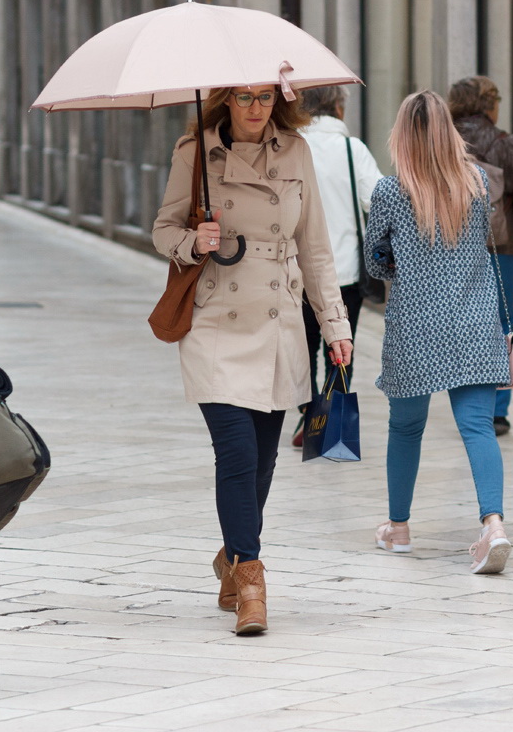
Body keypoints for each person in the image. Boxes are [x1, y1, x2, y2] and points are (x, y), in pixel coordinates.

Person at [152, 84, 353, 635]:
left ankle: (232, 557)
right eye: (243, 97)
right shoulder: (194, 153)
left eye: (265, 96)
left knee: (263, 463)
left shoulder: (297, 152)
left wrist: (334, 324)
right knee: (237, 454)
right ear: (225, 100)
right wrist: (195, 240)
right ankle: (253, 586)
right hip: (217, 322)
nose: (255, 107)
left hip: (278, 321)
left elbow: (314, 248)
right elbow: (162, 229)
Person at [366, 90, 513, 574]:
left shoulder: (389, 191)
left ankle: (399, 528)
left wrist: (398, 256)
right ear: (449, 131)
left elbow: (375, 262)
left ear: (402, 135)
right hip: (473, 321)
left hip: (416, 327)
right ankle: (493, 526)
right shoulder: (475, 182)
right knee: (477, 426)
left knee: (406, 427)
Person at [291, 86, 384, 447]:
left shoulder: (291, 148)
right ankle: (332, 431)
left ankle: (308, 416)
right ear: (338, 107)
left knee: (303, 349)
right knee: (340, 349)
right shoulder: (352, 149)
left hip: (296, 271)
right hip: (343, 272)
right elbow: (376, 199)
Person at [448, 75, 513, 437]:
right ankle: (497, 411)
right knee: (503, 323)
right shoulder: (508, 144)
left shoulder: (443, 143)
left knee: (460, 324)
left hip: (452, 247)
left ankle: (467, 403)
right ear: (490, 105)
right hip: (502, 247)